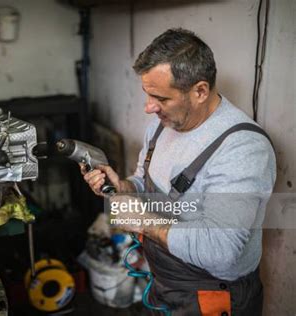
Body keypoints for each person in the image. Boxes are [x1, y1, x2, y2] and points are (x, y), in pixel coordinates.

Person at [81, 28, 276, 315]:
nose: (149, 107)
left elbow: (221, 253)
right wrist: (124, 187)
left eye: (161, 98)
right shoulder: (163, 125)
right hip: (164, 282)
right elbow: (144, 181)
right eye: (148, 95)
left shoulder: (242, 149)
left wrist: (142, 221)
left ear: (200, 91)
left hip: (213, 296)